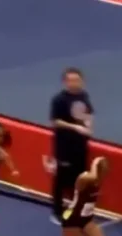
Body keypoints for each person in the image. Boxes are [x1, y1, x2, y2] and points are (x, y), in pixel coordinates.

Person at [49, 67, 94, 223]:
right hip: (64, 146)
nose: (74, 83)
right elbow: (55, 121)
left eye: (77, 80)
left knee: (80, 178)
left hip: (80, 145)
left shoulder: (84, 96)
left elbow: (87, 114)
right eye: (71, 80)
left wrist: (88, 126)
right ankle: (56, 211)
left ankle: (77, 208)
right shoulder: (59, 100)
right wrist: (75, 127)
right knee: (61, 180)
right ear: (65, 82)